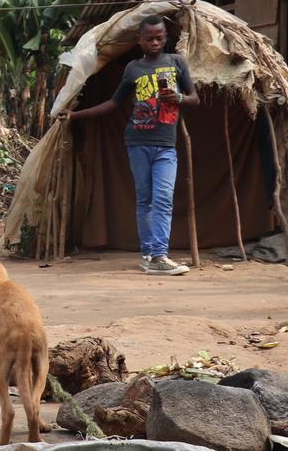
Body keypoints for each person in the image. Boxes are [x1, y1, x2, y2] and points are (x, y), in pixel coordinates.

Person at [59, 15, 200, 275]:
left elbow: (194, 99)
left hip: (166, 144)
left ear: (166, 37)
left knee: (163, 199)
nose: (155, 42)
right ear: (139, 41)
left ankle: (159, 254)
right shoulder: (133, 68)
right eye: (149, 39)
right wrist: (75, 115)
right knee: (145, 199)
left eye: (159, 38)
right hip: (137, 141)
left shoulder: (177, 62)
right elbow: (113, 104)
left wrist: (177, 96)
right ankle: (148, 255)